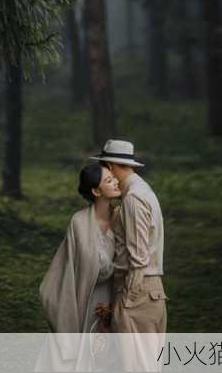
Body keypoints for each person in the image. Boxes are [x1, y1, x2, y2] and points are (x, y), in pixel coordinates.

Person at [34, 162, 122, 372]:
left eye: (114, 177)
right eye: (109, 180)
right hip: (85, 299)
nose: (116, 181)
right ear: (96, 191)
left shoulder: (122, 217)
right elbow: (73, 268)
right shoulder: (79, 222)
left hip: (115, 297)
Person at [90, 139, 168, 372]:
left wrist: (127, 300)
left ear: (112, 166)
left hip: (137, 291)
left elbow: (138, 258)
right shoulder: (143, 191)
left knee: (133, 366)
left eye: (104, 168)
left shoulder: (133, 198)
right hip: (148, 291)